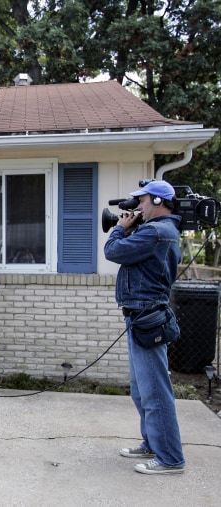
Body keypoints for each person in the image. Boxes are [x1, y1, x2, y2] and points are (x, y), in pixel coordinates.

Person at [104, 180, 186, 475]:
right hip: (140, 316)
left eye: (141, 201)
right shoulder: (155, 230)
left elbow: (113, 252)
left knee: (154, 391)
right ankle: (153, 442)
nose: (136, 206)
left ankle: (170, 458)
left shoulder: (155, 231)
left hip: (146, 317)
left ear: (156, 200)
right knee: (142, 390)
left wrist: (120, 228)